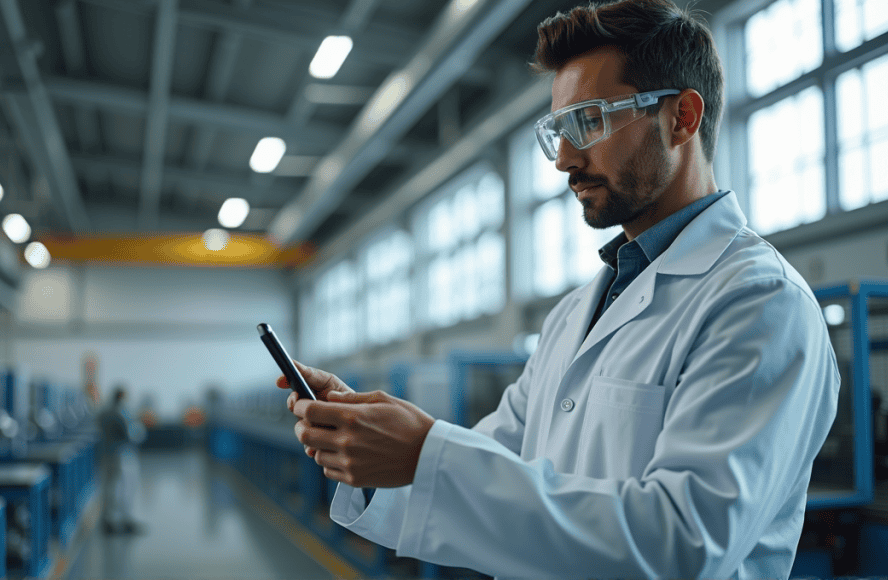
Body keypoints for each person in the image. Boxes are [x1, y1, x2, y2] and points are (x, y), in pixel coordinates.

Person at [275, 0, 840, 577]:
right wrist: (378, 440)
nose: (565, 159)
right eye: (558, 131)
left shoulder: (759, 303)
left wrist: (425, 453)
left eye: (589, 121)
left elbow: (682, 545)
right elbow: (500, 460)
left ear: (681, 118)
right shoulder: (576, 312)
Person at [99, 384, 146, 534]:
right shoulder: (122, 413)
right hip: (123, 455)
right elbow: (132, 434)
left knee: (110, 486)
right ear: (122, 397)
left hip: (107, 453)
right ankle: (124, 520)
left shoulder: (104, 412)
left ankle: (109, 520)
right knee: (125, 488)